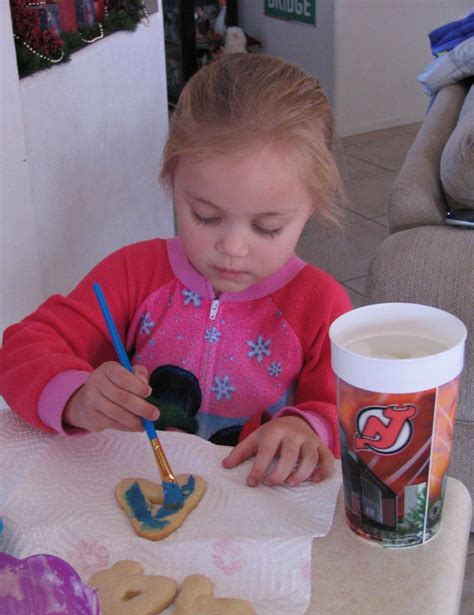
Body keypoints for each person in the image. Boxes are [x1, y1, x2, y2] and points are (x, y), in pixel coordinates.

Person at [0, 54, 351, 488]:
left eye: (267, 227)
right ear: (172, 182)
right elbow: (21, 350)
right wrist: (75, 395)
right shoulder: (134, 273)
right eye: (205, 216)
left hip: (260, 518)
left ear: (310, 207)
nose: (233, 248)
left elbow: (354, 414)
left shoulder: (322, 306)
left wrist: (308, 429)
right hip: (132, 499)